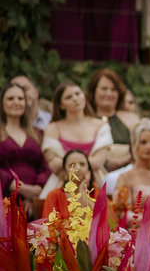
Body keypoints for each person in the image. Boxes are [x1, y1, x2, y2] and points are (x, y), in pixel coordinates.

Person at [42, 81, 111, 181]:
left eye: (78, 94)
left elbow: (98, 162)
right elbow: (54, 164)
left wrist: (68, 164)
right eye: (68, 97)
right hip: (63, 182)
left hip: (95, 181)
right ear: (61, 105)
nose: (75, 99)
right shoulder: (52, 128)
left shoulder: (101, 126)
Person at [1, 81, 50, 217]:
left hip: (34, 201)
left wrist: (35, 191)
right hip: (4, 197)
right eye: (10, 98)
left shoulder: (38, 133)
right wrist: (17, 187)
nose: (16, 102)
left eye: (20, 98)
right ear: (2, 103)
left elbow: (46, 166)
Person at [86, 69, 139, 173]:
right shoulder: (85, 120)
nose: (108, 93)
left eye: (113, 89)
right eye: (104, 89)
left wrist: (122, 162)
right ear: (94, 91)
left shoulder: (132, 119)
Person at [41, 148, 95, 220]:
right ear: (65, 172)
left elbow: (100, 222)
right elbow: (49, 227)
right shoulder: (54, 196)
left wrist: (82, 191)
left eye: (82, 164)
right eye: (72, 165)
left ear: (89, 170)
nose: (78, 168)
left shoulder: (97, 193)